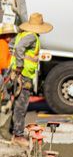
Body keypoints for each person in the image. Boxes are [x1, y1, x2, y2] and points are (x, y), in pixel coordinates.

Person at [9, 11, 53, 146]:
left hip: (16, 74)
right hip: (24, 75)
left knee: (16, 104)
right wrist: (20, 66)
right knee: (21, 106)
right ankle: (18, 135)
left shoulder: (22, 34)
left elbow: (12, 47)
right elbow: (19, 48)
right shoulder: (32, 37)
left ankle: (13, 132)